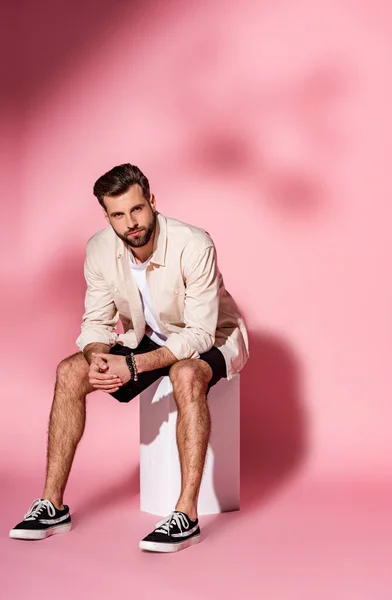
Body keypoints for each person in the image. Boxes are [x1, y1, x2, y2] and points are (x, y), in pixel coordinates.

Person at [9, 163, 249, 553]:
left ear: (152, 201)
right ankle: (52, 505)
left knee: (186, 375)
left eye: (136, 209)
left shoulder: (194, 243)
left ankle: (185, 515)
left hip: (213, 338)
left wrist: (134, 365)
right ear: (107, 217)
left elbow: (200, 333)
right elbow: (96, 322)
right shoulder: (99, 248)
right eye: (118, 214)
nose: (130, 222)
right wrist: (97, 356)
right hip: (147, 337)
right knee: (70, 371)